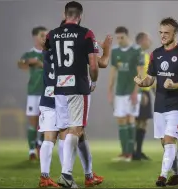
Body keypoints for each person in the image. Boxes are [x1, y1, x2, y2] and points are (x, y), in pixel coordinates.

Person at [38, 18, 112, 187]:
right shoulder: (77, 47)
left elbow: (45, 49)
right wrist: (106, 49)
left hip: (49, 94)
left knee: (53, 138)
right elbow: (101, 63)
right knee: (71, 133)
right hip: (67, 93)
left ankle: (48, 176)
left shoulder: (50, 49)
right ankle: (67, 176)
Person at [134, 17, 178, 186]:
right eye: (161, 32)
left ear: (175, 33)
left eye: (166, 33)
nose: (163, 36)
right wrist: (142, 82)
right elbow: (151, 79)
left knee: (169, 140)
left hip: (177, 104)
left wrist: (175, 85)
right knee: (164, 141)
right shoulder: (155, 54)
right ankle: (177, 174)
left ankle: (162, 176)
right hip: (159, 104)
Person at [108, 26, 144, 162]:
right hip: (120, 91)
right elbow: (113, 72)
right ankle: (124, 153)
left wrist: (135, 91)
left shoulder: (136, 50)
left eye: (122, 37)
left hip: (132, 91)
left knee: (130, 119)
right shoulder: (115, 51)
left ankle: (130, 153)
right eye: (117, 38)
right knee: (120, 120)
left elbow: (140, 72)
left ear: (127, 36)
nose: (119, 40)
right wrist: (109, 91)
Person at [17, 26, 47, 160]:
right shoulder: (30, 54)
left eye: (46, 35)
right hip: (33, 92)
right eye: (42, 35)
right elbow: (20, 64)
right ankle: (31, 151)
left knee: (46, 122)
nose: (44, 38)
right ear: (35, 37)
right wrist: (31, 62)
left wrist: (41, 64)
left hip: (48, 93)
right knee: (33, 122)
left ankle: (40, 144)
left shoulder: (49, 53)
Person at [133, 32, 153, 161]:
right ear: (142, 40)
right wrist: (139, 92)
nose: (150, 41)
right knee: (136, 121)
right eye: (148, 39)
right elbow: (134, 75)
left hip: (146, 91)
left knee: (143, 122)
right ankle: (133, 151)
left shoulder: (145, 55)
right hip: (139, 91)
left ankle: (138, 151)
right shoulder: (136, 55)